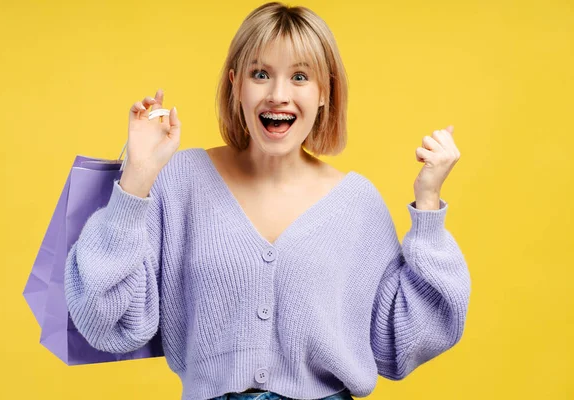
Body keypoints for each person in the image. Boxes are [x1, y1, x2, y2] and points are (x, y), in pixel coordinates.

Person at [64, 2, 471, 400]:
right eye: (261, 74)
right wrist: (137, 178)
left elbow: (404, 340)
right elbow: (103, 319)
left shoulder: (358, 205)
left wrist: (429, 203)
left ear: (325, 92)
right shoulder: (180, 181)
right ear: (235, 84)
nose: (278, 95)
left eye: (300, 77)